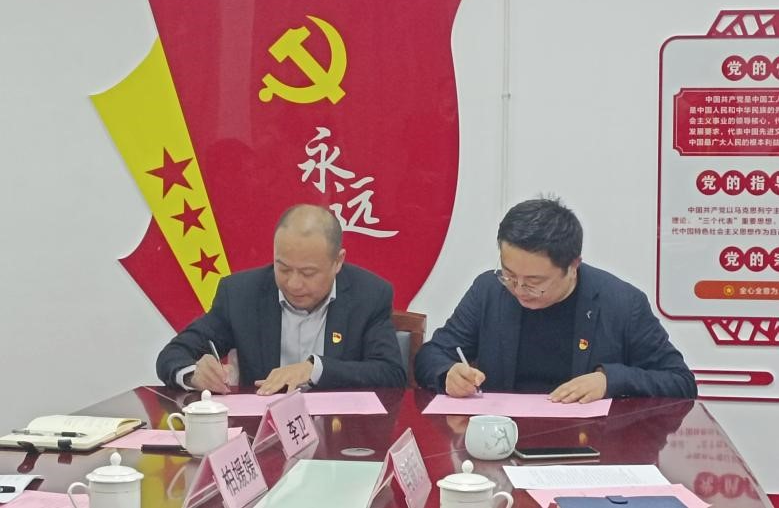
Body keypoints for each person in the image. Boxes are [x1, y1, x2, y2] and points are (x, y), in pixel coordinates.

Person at [414, 197, 696, 402]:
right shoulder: (489, 290)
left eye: (534, 282)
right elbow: (431, 355)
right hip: (503, 440)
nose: (519, 289)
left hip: (590, 446)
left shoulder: (622, 303)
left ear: (573, 266)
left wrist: (609, 380)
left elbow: (680, 381)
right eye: (509, 274)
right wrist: (448, 373)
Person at [157, 204, 406, 394]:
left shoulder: (369, 295)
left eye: (308, 273)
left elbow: (391, 373)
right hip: (261, 435)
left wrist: (315, 369)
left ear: (337, 262)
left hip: (340, 434)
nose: (293, 284)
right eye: (283, 268)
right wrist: (194, 374)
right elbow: (173, 354)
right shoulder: (241, 294)